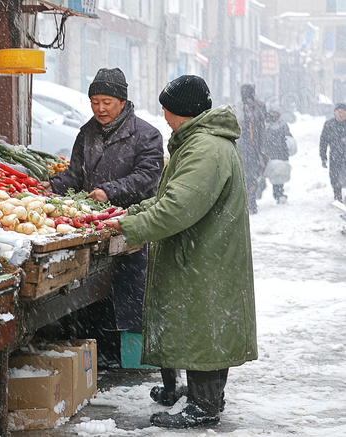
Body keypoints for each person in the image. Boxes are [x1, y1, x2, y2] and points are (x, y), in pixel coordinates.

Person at [103, 75, 258, 428]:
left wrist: (132, 227)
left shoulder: (204, 149)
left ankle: (204, 407)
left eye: (166, 107)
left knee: (202, 328)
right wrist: (134, 213)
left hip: (204, 256)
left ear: (181, 111)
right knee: (207, 328)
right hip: (207, 254)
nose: (163, 113)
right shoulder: (200, 142)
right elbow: (168, 197)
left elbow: (178, 207)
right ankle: (207, 397)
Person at [41, 67, 165, 367]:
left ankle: (131, 356)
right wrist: (53, 186)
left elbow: (148, 176)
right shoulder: (87, 132)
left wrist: (109, 192)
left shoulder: (146, 135)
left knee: (129, 290)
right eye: (95, 101)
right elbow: (75, 174)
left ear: (122, 101)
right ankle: (100, 353)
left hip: (129, 224)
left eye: (107, 101)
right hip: (93, 226)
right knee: (94, 292)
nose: (100, 108)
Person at [238, 84, 268, 214]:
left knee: (251, 174)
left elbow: (263, 122)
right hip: (245, 146)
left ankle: (251, 200)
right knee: (248, 174)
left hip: (252, 147)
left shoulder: (258, 106)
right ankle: (249, 199)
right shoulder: (240, 107)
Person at [264, 105, 294, 204]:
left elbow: (288, 136)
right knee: (272, 173)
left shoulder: (283, 124)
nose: (274, 115)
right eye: (273, 112)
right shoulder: (265, 124)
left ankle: (279, 193)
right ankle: (276, 193)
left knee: (280, 174)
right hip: (270, 153)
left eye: (276, 113)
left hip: (281, 153)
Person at [319, 103, 346, 202]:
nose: (340, 114)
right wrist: (323, 155)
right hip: (335, 155)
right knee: (334, 176)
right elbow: (323, 141)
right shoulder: (329, 124)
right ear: (334, 113)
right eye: (338, 112)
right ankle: (337, 196)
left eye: (343, 112)